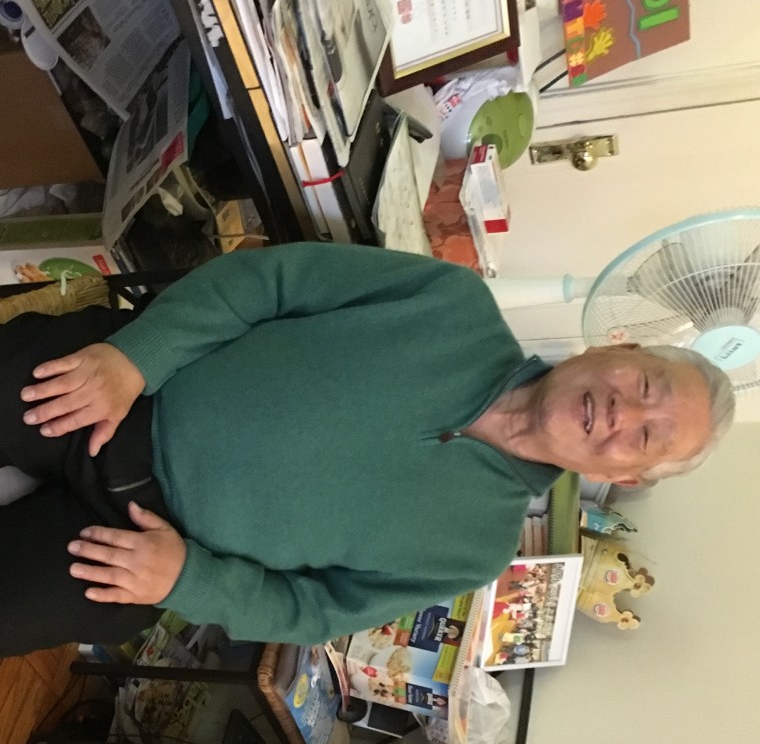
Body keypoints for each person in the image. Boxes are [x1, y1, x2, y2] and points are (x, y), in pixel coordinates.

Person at [2, 242, 734, 658]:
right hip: (128, 387)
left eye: (646, 432)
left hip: (143, 551)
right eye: (644, 383)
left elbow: (313, 612)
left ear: (625, 472)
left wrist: (188, 580)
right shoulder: (452, 302)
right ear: (623, 346)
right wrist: (136, 359)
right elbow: (269, 281)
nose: (621, 411)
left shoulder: (475, 550)